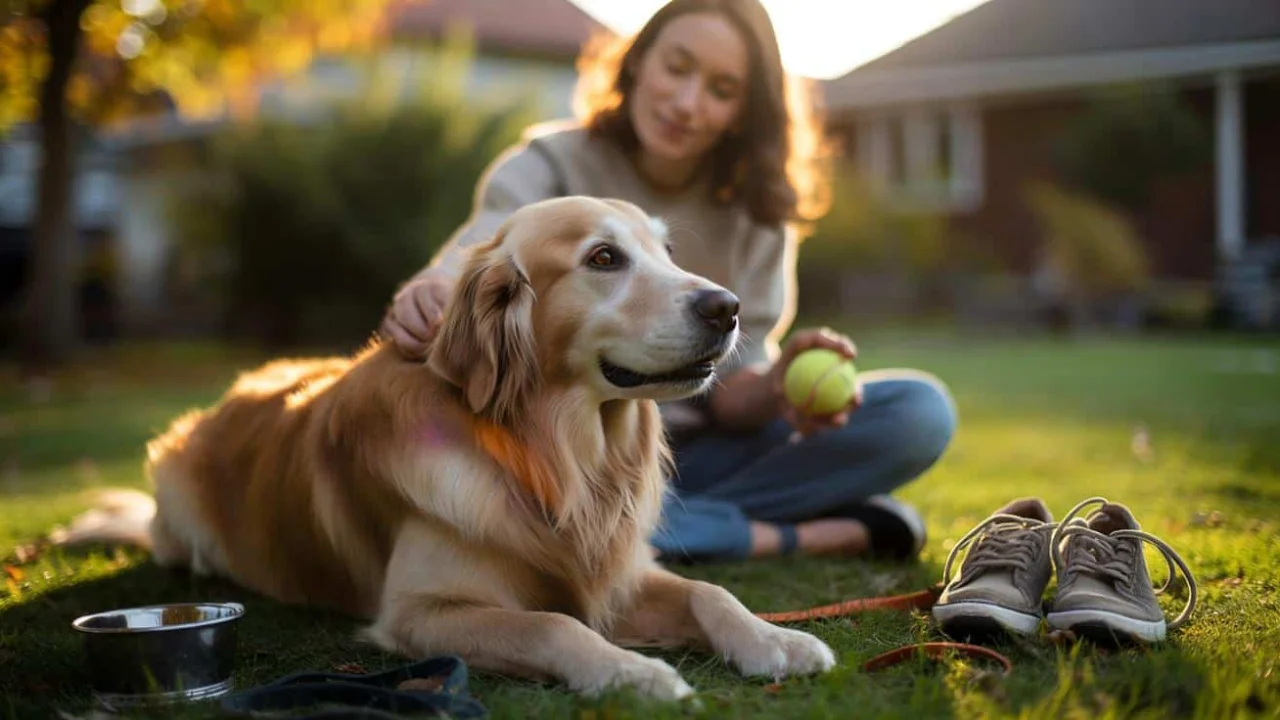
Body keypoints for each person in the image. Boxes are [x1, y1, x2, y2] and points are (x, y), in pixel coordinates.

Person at [379, 0, 957, 563]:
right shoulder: (547, 165)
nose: (687, 103)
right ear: (638, 62)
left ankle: (639, 530)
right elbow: (476, 256)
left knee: (918, 411)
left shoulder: (760, 212)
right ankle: (799, 534)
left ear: (744, 112)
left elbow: (730, 394)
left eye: (721, 90)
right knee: (504, 482)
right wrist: (431, 288)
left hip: (701, 455)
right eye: (677, 68)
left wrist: (779, 385)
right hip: (566, 451)